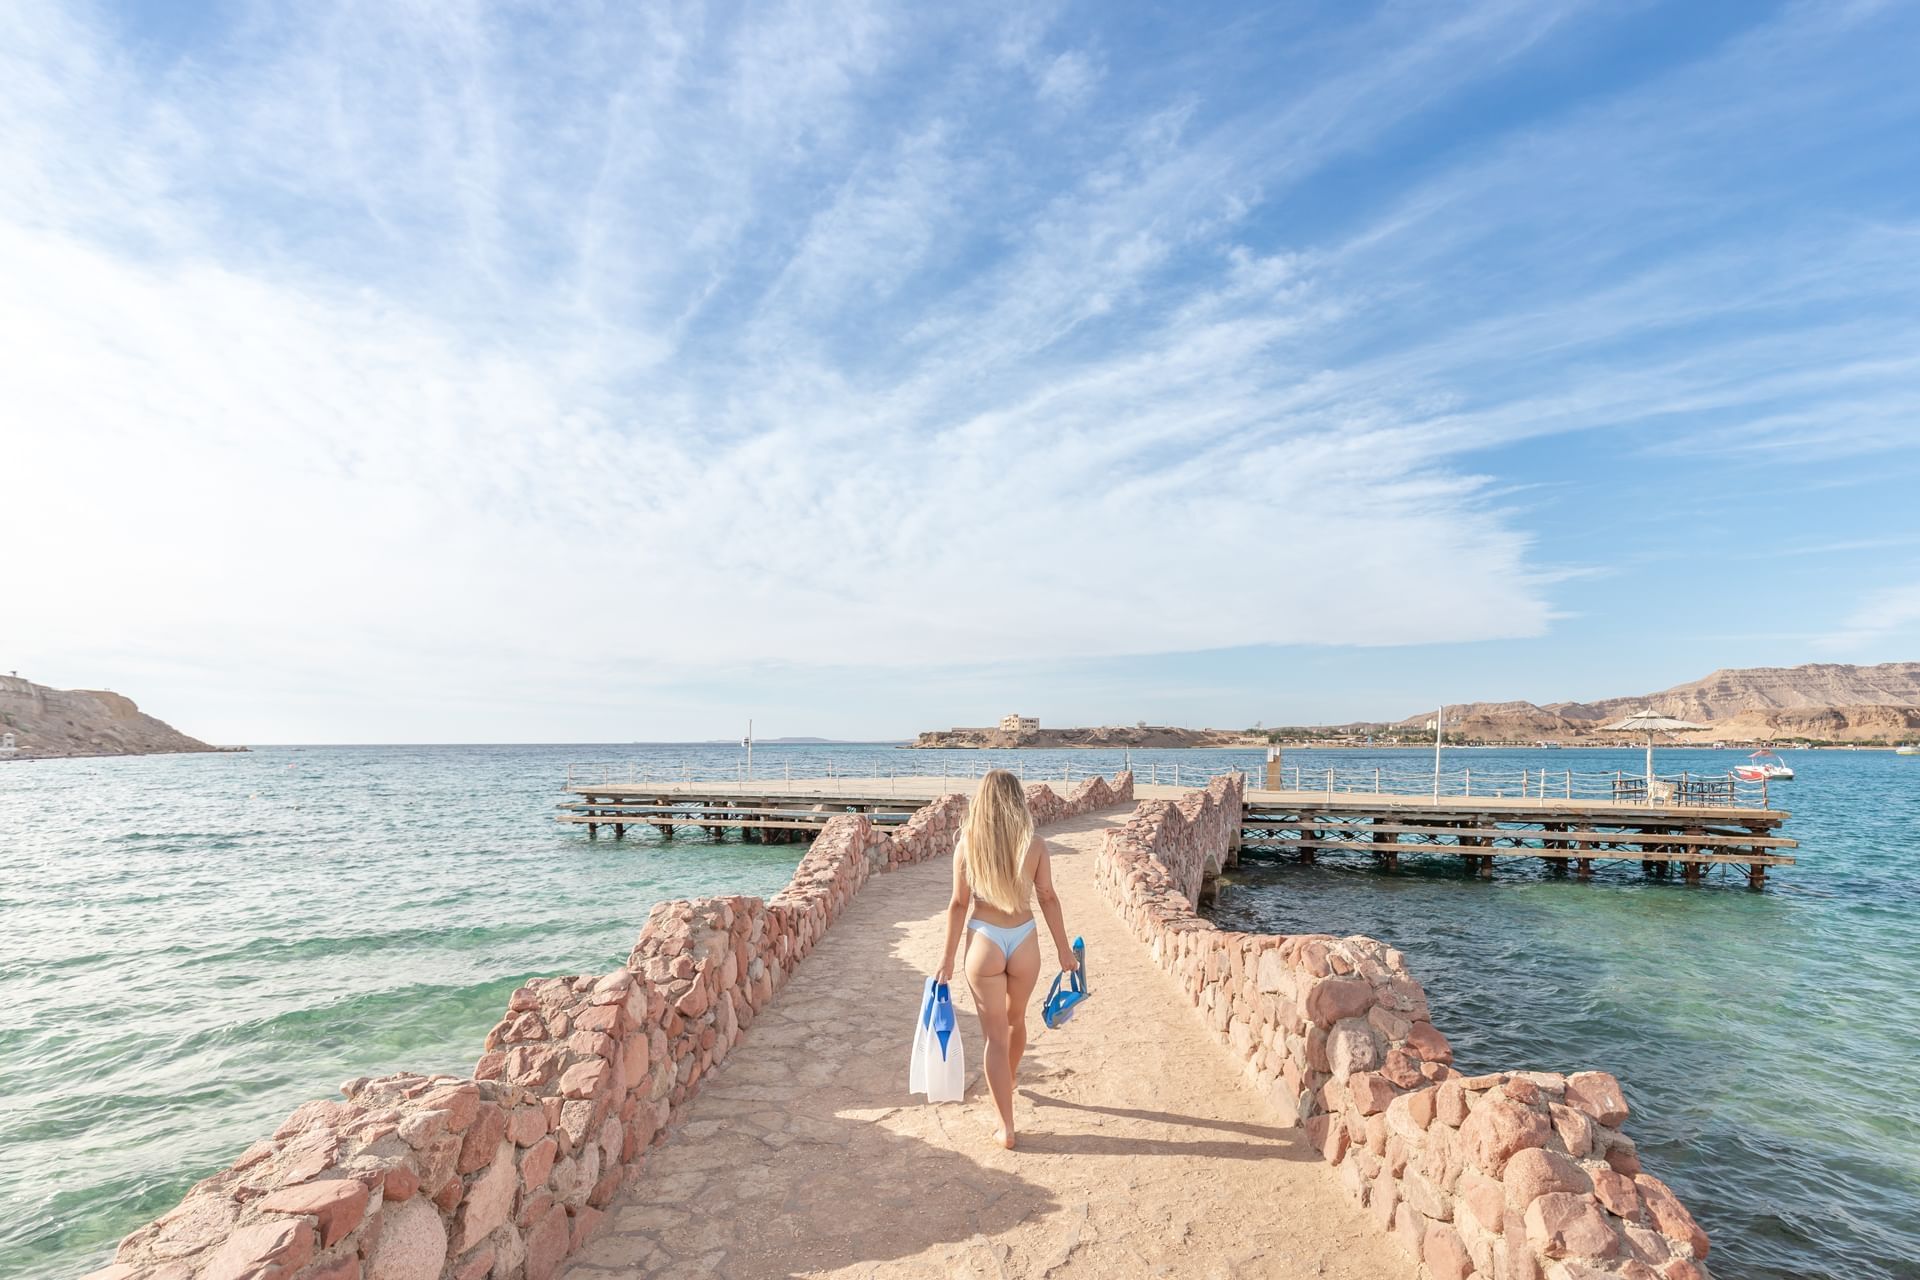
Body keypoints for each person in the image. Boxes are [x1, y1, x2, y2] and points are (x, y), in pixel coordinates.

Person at [934, 769, 1077, 1149]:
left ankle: (1005, 1126)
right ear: (1018, 801)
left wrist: (947, 958)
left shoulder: (968, 844)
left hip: (984, 940)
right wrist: (1064, 950)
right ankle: (1008, 1080)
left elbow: (958, 904)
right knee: (1016, 1022)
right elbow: (1048, 897)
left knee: (994, 1038)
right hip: (1025, 939)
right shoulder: (1035, 844)